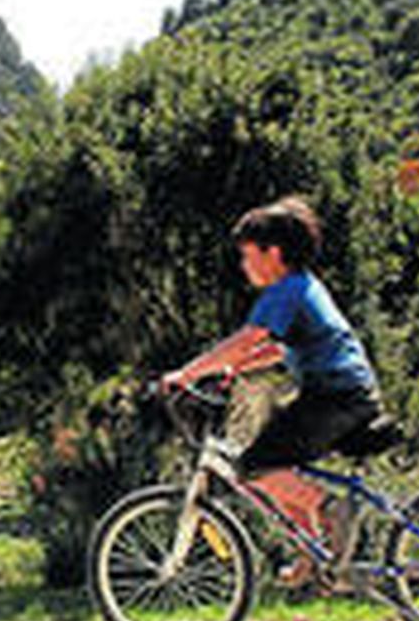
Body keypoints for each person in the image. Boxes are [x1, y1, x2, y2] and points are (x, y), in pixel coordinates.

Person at [163, 196, 383, 582]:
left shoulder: (286, 290)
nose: (244, 266)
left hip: (335, 397)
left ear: (273, 253)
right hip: (340, 394)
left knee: (254, 466)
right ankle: (311, 554)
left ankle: (332, 511)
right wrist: (234, 368)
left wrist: (187, 372)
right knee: (274, 466)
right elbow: (273, 350)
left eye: (248, 256)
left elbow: (250, 337)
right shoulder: (301, 286)